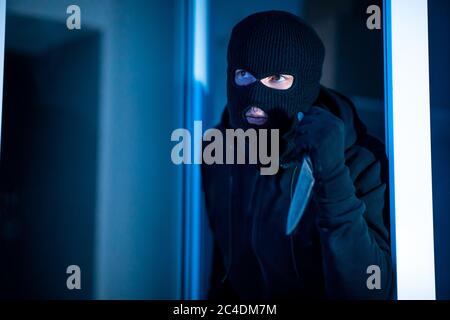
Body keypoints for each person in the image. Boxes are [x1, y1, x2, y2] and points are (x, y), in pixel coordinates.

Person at [201, 10, 394, 299]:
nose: (255, 100)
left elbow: (371, 291)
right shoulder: (221, 152)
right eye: (244, 75)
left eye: (276, 78)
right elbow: (225, 263)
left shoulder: (363, 163)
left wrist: (331, 175)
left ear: (305, 85)